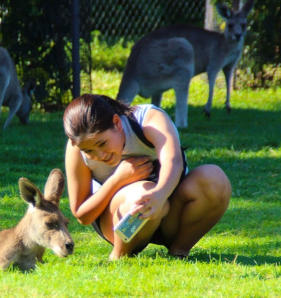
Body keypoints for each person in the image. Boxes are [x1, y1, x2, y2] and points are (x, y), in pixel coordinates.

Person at [63, 94, 231, 260]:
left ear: (116, 123)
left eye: (102, 143)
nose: (100, 155)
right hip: (119, 223)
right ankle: (119, 256)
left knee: (215, 179)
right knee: (144, 194)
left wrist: (160, 194)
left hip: (169, 214)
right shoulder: (77, 148)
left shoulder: (148, 119)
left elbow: (173, 161)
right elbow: (82, 215)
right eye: (89, 151)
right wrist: (118, 180)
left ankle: (179, 251)